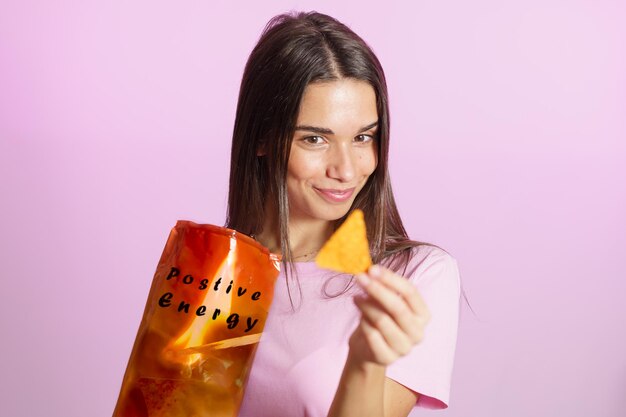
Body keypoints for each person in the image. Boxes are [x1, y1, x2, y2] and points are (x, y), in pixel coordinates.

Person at [225, 11, 461, 417]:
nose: (348, 170)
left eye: (363, 137)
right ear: (262, 137)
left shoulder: (411, 276)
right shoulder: (209, 270)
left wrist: (365, 360)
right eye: (315, 138)